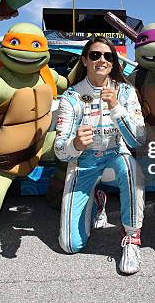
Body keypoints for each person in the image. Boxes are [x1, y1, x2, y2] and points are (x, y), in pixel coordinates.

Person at [54, 36, 146, 275]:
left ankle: (132, 238)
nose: (101, 60)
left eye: (108, 56)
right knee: (70, 245)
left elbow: (139, 139)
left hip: (116, 158)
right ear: (85, 60)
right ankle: (97, 202)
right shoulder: (71, 96)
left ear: (114, 62)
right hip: (84, 163)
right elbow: (60, 151)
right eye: (95, 55)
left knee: (130, 166)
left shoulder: (125, 92)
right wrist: (75, 143)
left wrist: (116, 107)